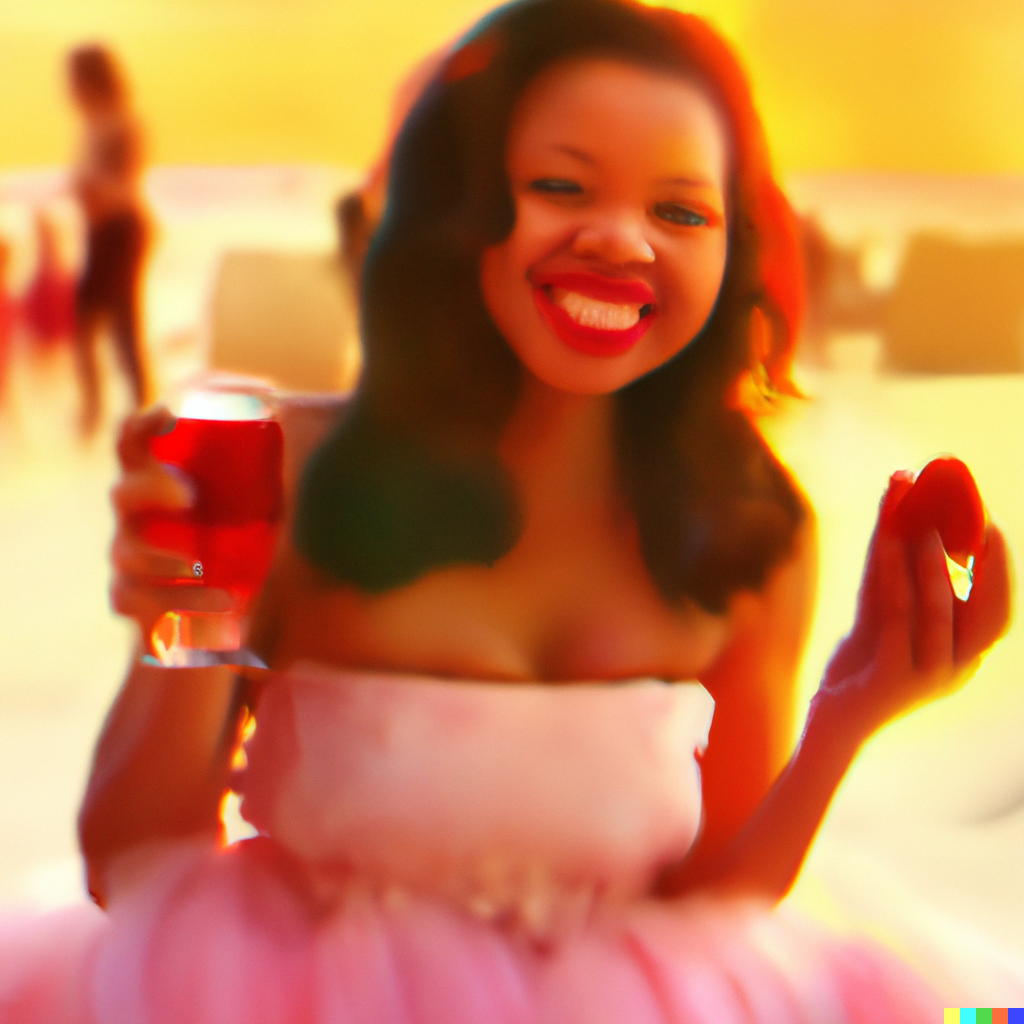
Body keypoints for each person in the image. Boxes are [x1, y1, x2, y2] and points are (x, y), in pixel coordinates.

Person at [0, 1, 1017, 1020]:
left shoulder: (748, 524)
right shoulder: (289, 469)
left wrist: (851, 708)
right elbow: (130, 864)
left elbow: (710, 903)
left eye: (679, 210)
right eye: (559, 186)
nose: (619, 240)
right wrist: (191, 616)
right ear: (454, 206)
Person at [67, 44, 151, 437]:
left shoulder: (121, 124)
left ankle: (119, 410)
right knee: (102, 322)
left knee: (118, 323)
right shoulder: (92, 124)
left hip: (121, 228)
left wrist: (97, 190)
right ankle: (104, 408)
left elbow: (128, 185)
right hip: (102, 230)